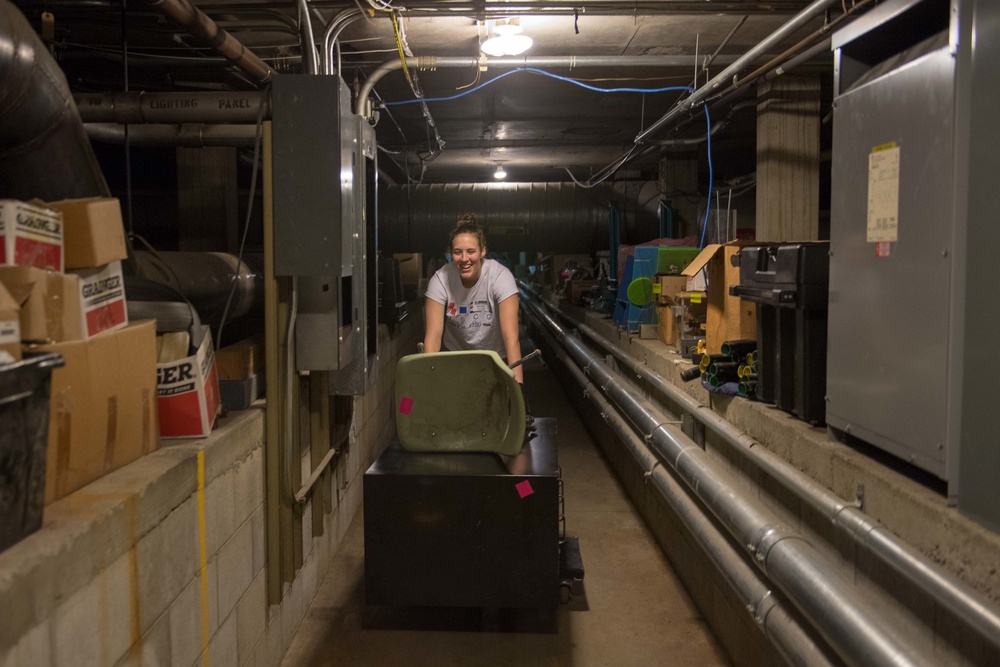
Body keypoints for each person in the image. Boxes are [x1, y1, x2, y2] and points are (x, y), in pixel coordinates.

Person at [423, 214, 523, 384]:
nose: (464, 259)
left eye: (471, 251)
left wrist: (517, 385)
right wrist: (430, 381)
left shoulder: (500, 277)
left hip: (495, 357)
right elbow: (433, 337)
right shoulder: (440, 279)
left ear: (483, 250)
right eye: (457, 252)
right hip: (456, 355)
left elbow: (511, 338)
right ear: (451, 253)